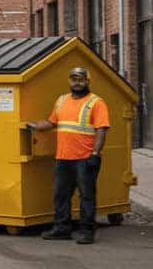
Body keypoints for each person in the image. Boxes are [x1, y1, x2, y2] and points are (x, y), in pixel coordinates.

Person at [27, 66, 110, 245]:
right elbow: (51, 122)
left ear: (88, 81)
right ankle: (62, 229)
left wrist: (95, 154)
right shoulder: (61, 100)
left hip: (85, 158)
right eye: (74, 79)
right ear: (69, 81)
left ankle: (87, 231)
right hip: (63, 157)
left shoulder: (96, 102)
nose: (77, 82)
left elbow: (101, 130)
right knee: (61, 194)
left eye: (81, 79)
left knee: (86, 195)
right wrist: (34, 125)